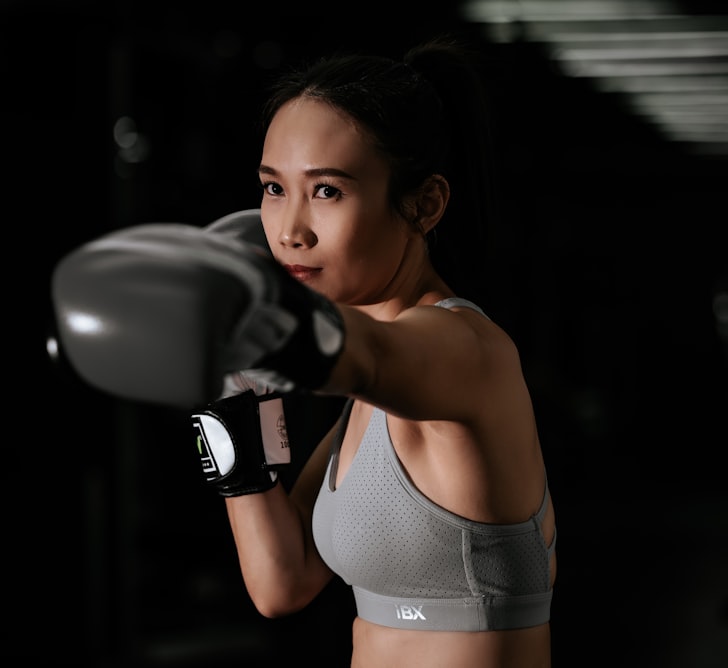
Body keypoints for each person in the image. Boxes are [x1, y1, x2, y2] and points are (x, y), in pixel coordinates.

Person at [51, 34, 556, 668]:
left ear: (425, 203)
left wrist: (243, 321)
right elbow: (281, 582)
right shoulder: (366, 406)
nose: (289, 231)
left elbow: (364, 355)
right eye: (272, 189)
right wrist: (229, 397)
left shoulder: (465, 351)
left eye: (326, 191)